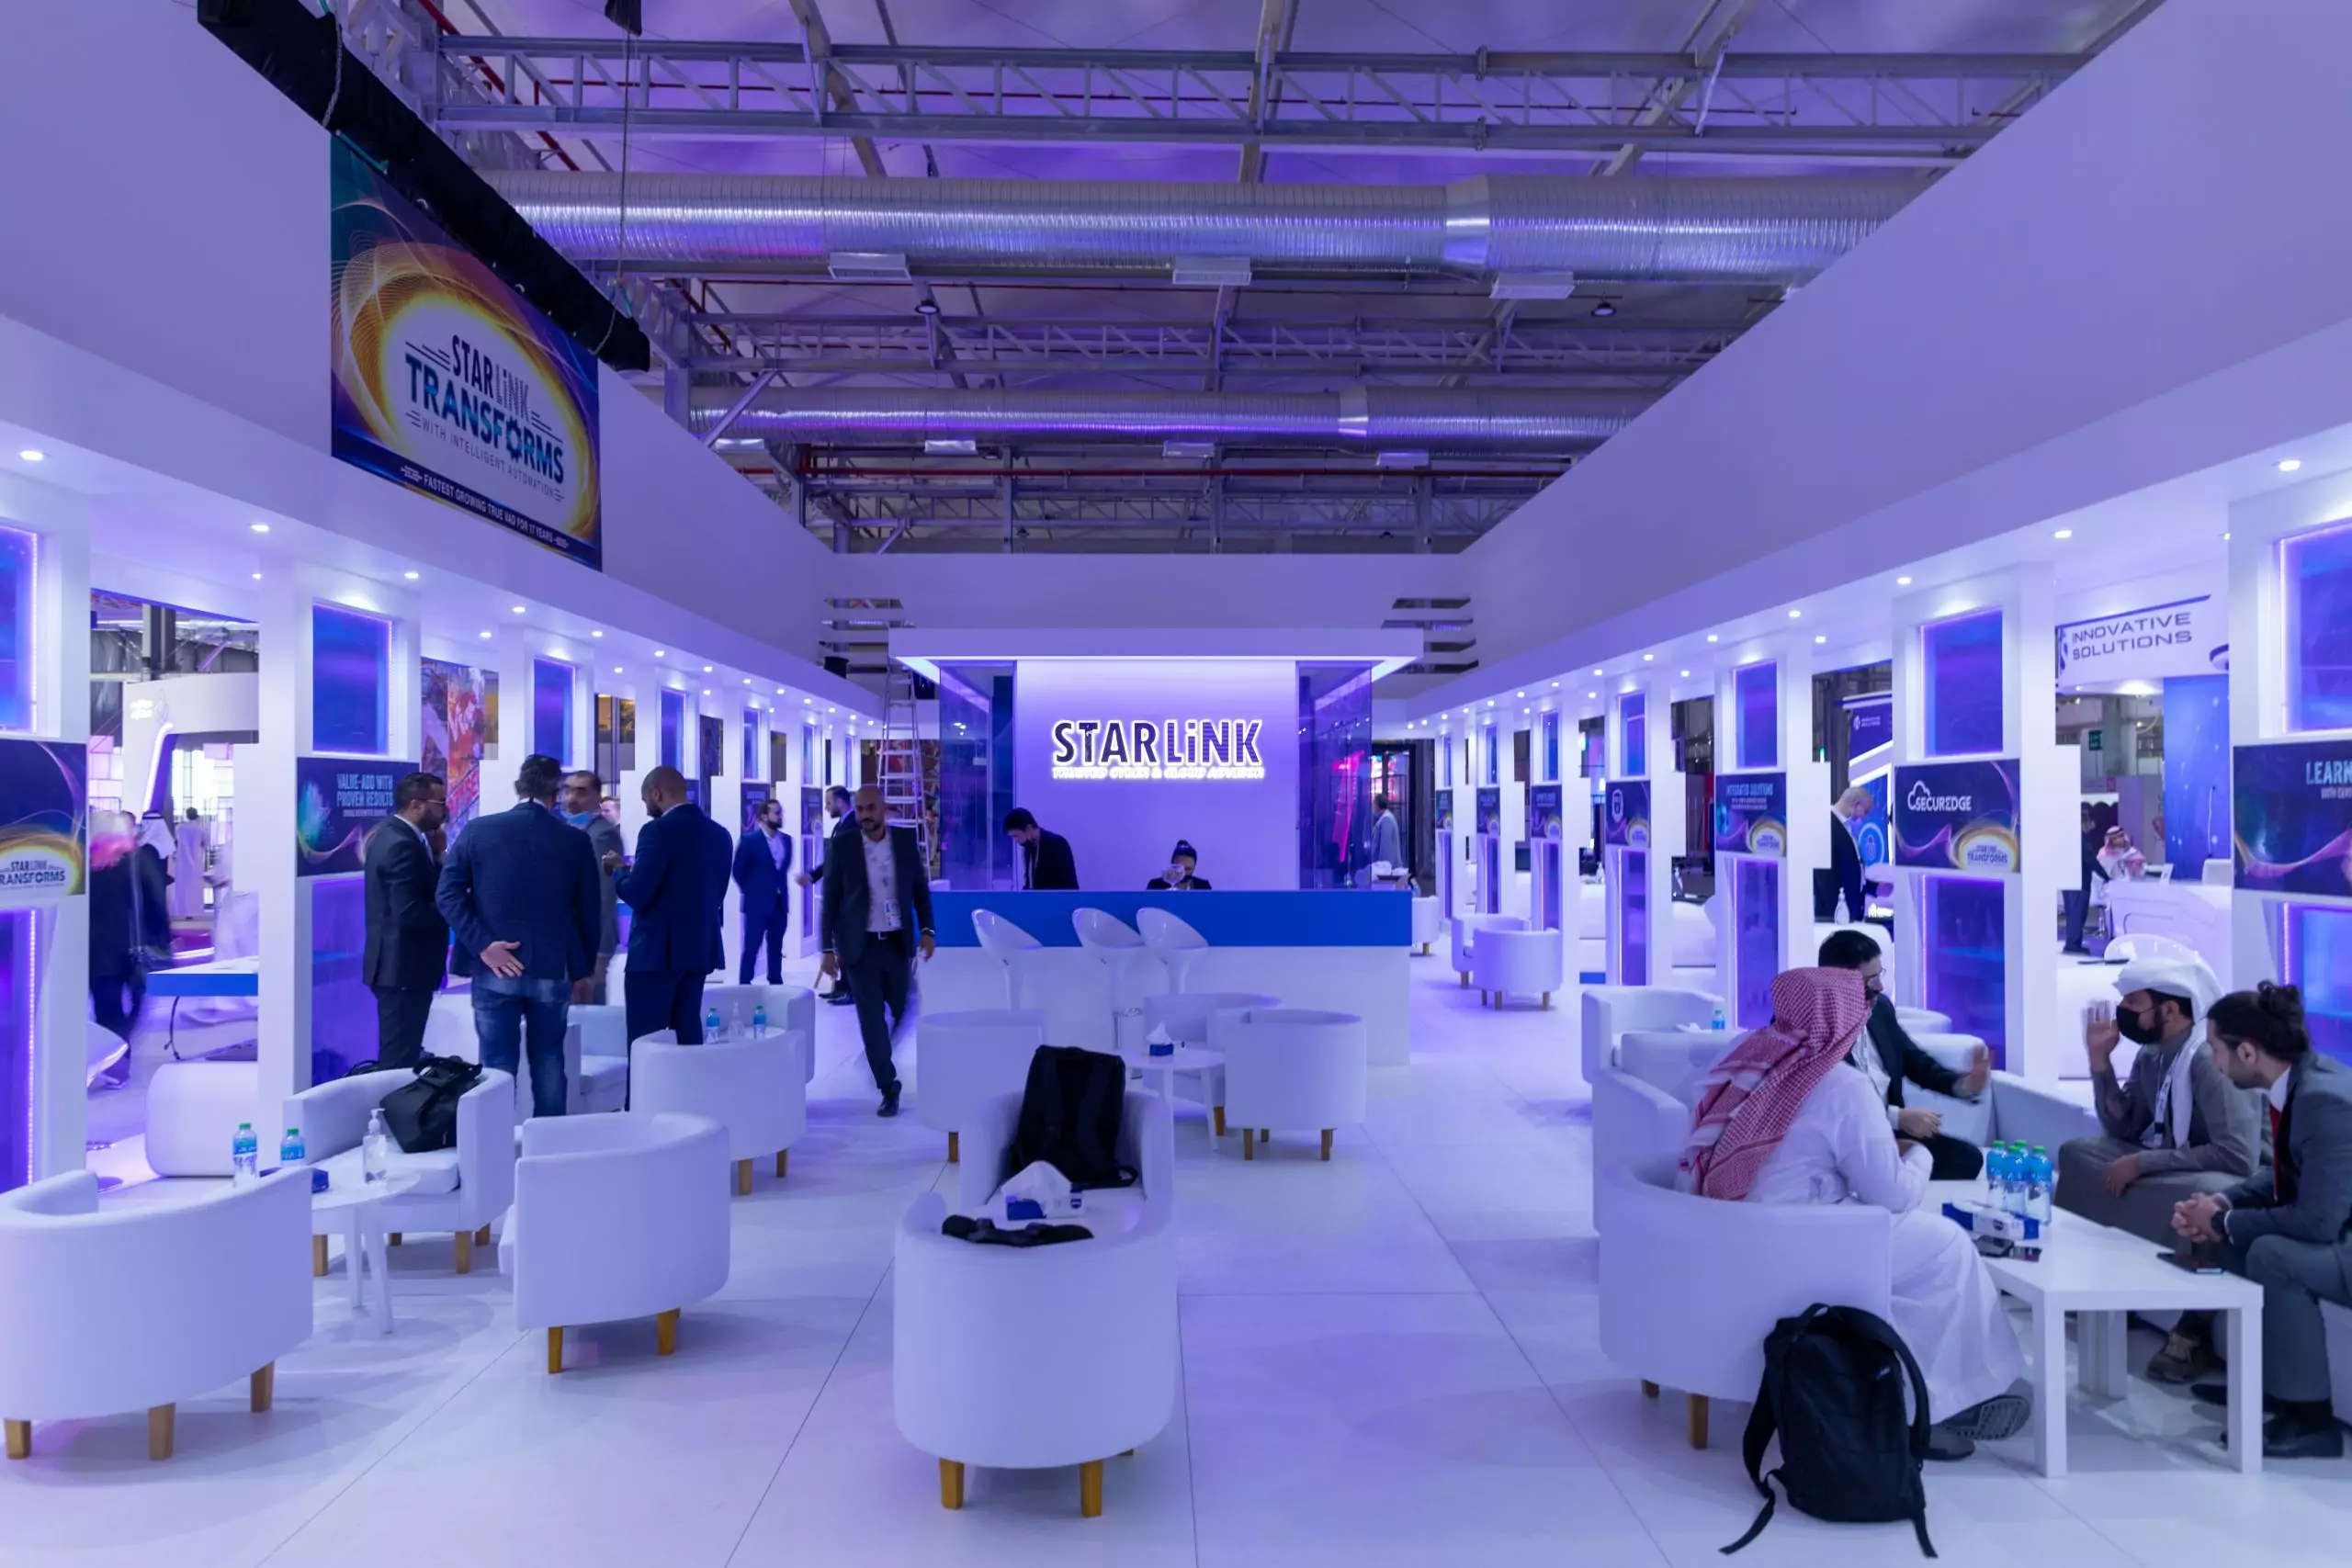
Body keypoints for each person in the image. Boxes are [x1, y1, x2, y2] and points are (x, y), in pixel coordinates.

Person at [1680, 966, 2030, 1460]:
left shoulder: (1742, 1059)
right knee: (1946, 1247)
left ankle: (1908, 1386)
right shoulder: (1840, 1084)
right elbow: (1891, 1193)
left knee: (1908, 1255)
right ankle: (1940, 1404)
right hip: (1803, 1245)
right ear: (1840, 1016)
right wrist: (1917, 1156)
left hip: (1724, 1238)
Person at [2057, 953, 2257, 1382]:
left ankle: (2193, 1332)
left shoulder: (2207, 1058)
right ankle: (2099, 1286)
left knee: (2206, 1191)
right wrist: (2099, 1061)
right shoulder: (2152, 1054)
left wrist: (2142, 1162)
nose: (2122, 1014)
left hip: (2229, 1172)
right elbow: (2123, 1124)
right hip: (2175, 1161)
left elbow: (2238, 1155)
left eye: (2132, 1005)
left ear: (2168, 1010)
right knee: (2080, 1154)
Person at [2172, 984, 2352, 1459]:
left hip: (2342, 1236)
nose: (2213, 1061)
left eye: (2215, 1049)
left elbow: (2317, 1222)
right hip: (2340, 1231)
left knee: (2272, 1254)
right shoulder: (2296, 1083)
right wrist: (2220, 1205)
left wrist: (2227, 1221)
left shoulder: (2324, 1100)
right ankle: (2273, 1389)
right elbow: (2279, 1176)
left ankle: (2312, 1419)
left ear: (2247, 1051)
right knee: (2233, 1238)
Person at [435, 754, 602, 1119]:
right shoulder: (574, 840)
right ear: (556, 792)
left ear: (517, 788)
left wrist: (483, 946)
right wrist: (583, 969)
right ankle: (550, 1150)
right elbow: (590, 911)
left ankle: (494, 1153)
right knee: (548, 1062)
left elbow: (447, 894)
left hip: (494, 969)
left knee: (495, 1068)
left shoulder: (479, 830)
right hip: (551, 966)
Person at [1815, 928, 1991, 1179]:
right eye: (1870, 981)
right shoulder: (1809, 1022)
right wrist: (1897, 1118)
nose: (1880, 986)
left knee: (1967, 1159)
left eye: (1880, 976)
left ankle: (1889, 1165)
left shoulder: (1880, 1009)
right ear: (1838, 982)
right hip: (1842, 1138)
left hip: (1888, 1133)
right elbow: (1824, 1102)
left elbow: (1913, 1060)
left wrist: (1963, 1084)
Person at [820, 786, 935, 1116]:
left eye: (871, 808)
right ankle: (888, 1085)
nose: (864, 816)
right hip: (860, 947)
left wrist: (927, 931)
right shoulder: (843, 845)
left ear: (884, 809)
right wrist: (827, 949)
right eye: (859, 810)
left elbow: (919, 893)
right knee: (871, 1019)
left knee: (902, 1008)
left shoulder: (903, 842)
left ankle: (882, 1051)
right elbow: (831, 898)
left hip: (897, 944)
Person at [612, 764, 731, 1046]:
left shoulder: (657, 831)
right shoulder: (720, 833)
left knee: (646, 1043)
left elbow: (639, 893)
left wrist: (619, 872)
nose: (646, 809)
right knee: (688, 1032)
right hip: (699, 949)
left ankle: (645, 1094)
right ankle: (688, 1091)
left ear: (656, 793)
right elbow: (715, 893)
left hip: (656, 954)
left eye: (645, 801)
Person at [362, 772, 449, 1072]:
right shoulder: (400, 844)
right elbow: (409, 911)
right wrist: (454, 909)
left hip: (402, 970)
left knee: (405, 1054)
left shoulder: (402, 837)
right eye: (440, 803)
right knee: (398, 1062)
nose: (444, 810)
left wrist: (439, 857)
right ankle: (389, 1116)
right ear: (416, 805)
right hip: (402, 970)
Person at [85, 813, 146, 1077]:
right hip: (130, 948)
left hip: (99, 952)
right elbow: (154, 904)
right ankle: (117, 1062)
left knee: (107, 1008)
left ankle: (116, 1063)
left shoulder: (89, 867)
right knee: (122, 1009)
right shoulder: (135, 863)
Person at [561, 770, 626, 1005]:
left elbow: (604, 894)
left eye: (581, 791)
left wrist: (599, 950)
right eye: (568, 790)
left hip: (590, 941)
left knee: (588, 1006)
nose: (571, 798)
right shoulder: (568, 830)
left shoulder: (601, 835)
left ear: (598, 796)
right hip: (569, 940)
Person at [797, 786, 858, 1005]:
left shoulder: (853, 826)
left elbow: (845, 864)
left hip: (848, 896)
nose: (826, 807)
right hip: (839, 895)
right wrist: (813, 876)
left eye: (829, 802)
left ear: (840, 802)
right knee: (840, 942)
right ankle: (842, 987)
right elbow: (833, 861)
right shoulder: (842, 825)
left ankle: (851, 990)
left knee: (847, 944)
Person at [733, 795, 793, 985]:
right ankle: (745, 983)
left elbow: (783, 869)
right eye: (777, 813)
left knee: (776, 947)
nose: (781, 816)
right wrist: (752, 891)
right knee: (752, 946)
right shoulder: (749, 841)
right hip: (757, 904)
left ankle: (775, 981)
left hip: (779, 904)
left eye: (781, 812)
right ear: (764, 817)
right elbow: (737, 871)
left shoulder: (787, 841)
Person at [1005, 806, 1079, 890]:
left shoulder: (1056, 844)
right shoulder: (1029, 847)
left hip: (1058, 901)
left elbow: (1068, 884)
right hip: (1038, 901)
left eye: (1016, 835)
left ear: (1028, 828)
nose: (1015, 840)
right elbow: (1030, 882)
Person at [1826, 786, 1871, 924]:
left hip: (1849, 912)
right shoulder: (1829, 825)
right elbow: (1827, 876)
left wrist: (1873, 887)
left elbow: (1850, 871)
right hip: (1835, 914)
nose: (1864, 817)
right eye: (1866, 811)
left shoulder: (1846, 827)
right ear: (1856, 804)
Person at [2063, 805, 2102, 954]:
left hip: (2070, 881)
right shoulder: (2081, 839)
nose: (2093, 827)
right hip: (2079, 882)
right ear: (2086, 822)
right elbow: (2091, 860)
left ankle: (2072, 942)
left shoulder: (2069, 837)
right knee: (2077, 914)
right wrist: (2106, 877)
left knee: (2073, 913)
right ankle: (2073, 944)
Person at [169, 808, 209, 919]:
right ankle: (195, 910)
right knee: (195, 887)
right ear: (197, 816)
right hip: (196, 860)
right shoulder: (201, 829)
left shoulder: (180, 828)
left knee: (182, 886)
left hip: (182, 861)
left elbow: (177, 842)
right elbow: (205, 844)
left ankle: (182, 910)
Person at [1146, 840, 1212, 891]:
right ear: (1172, 864)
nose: (1184, 873)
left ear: (1194, 867)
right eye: (1180, 868)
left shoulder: (1203, 887)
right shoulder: (1155, 886)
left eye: (1188, 869)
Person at [1369, 794, 1403, 873]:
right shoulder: (1385, 818)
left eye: (1373, 804)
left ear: (1377, 805)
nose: (1373, 808)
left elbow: (1385, 846)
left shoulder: (1386, 819)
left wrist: (1381, 868)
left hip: (1387, 869)